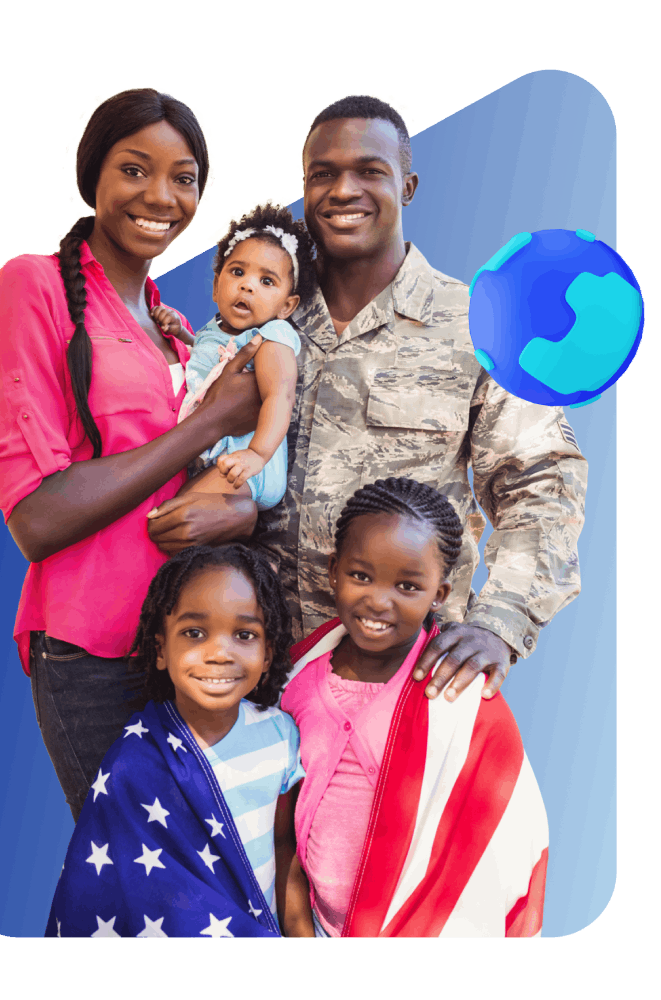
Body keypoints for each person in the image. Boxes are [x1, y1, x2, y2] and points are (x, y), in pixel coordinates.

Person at [148, 93, 588, 708]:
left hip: (401, 680)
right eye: (322, 174)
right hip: (251, 676)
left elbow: (541, 484)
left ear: (407, 186)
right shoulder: (258, 314)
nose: (342, 190)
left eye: (369, 171)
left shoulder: (480, 326)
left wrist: (500, 622)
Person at [0, 87, 264, 825]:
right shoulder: (32, 287)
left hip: (187, 645)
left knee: (208, 869)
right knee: (137, 874)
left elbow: (201, 479)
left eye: (183, 178)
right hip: (93, 652)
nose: (161, 197)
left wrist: (233, 507)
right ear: (90, 175)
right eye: (135, 169)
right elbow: (37, 518)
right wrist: (209, 422)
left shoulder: (176, 330)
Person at [280, 477, 549, 938]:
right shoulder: (297, 683)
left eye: (407, 585)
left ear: (439, 595)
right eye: (360, 576)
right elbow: (280, 821)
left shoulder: (461, 701)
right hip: (314, 923)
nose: (378, 601)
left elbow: (501, 839)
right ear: (333, 571)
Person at [44, 543, 315, 938]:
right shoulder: (134, 763)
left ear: (268, 654)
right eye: (194, 633)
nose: (219, 653)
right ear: (161, 650)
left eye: (244, 634)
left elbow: (284, 847)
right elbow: (122, 892)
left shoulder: (280, 735)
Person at [149, 198, 317, 510]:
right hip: (216, 459)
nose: (247, 286)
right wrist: (181, 333)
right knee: (169, 509)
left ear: (286, 306)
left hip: (248, 466)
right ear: (216, 287)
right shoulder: (213, 329)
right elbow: (208, 359)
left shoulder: (272, 336)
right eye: (238, 272)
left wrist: (257, 454)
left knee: (172, 513)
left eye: (267, 281)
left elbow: (279, 396)